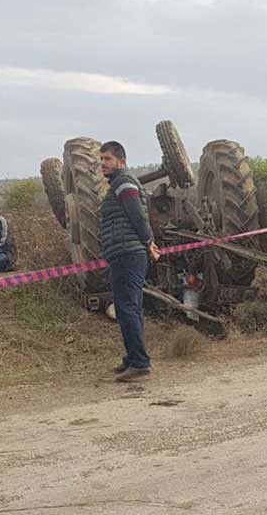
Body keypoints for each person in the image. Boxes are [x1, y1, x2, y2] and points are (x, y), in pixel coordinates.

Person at [99, 141, 160, 382]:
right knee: (128, 308)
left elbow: (137, 214)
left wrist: (148, 241)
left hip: (128, 253)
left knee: (127, 308)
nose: (103, 163)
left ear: (121, 162)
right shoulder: (118, 183)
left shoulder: (124, 181)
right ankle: (132, 358)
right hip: (123, 252)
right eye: (101, 159)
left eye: (107, 159)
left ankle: (139, 362)